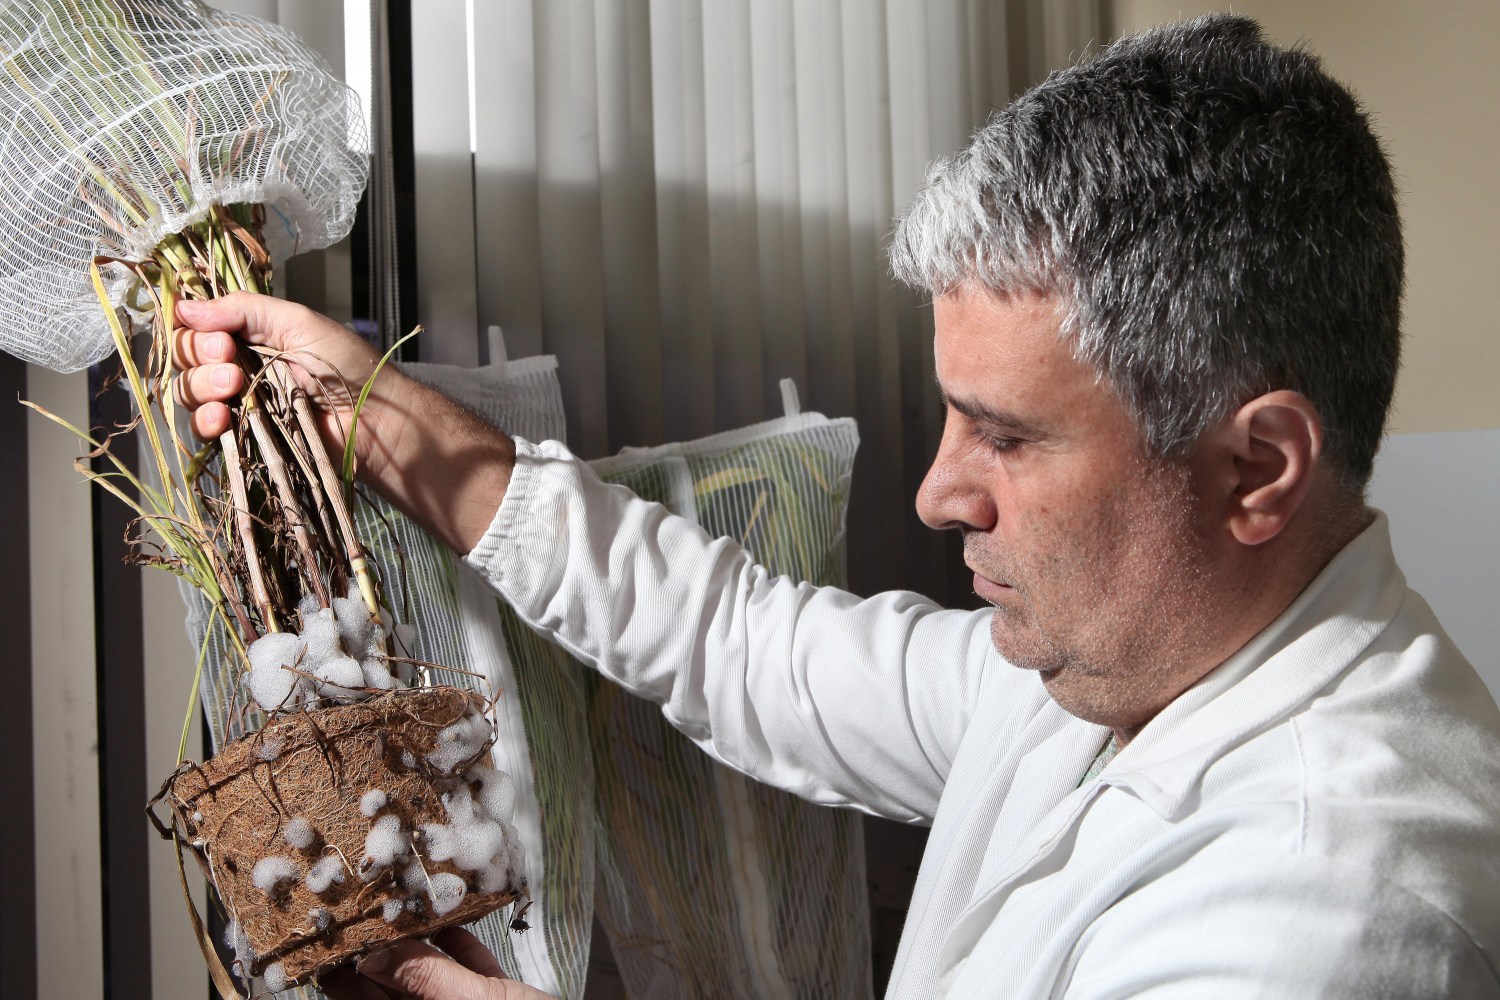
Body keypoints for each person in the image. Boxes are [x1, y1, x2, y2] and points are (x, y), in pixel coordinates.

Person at [175, 13, 1500, 999]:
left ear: (1254, 468)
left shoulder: (1337, 906)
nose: (935, 490)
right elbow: (755, 652)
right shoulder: (1123, 664)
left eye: (1008, 436)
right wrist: (393, 425)